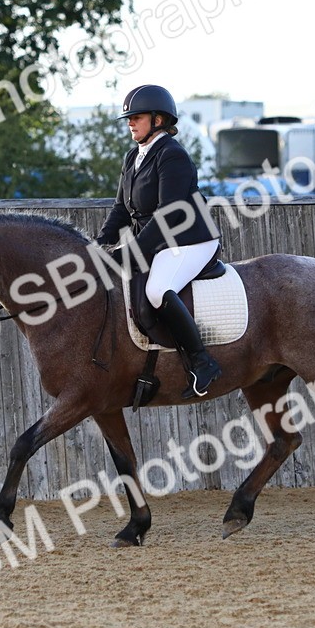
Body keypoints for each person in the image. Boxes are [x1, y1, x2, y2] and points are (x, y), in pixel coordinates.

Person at [96, 84, 222, 398]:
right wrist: (99, 245)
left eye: (136, 117)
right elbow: (121, 209)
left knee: (156, 290)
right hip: (158, 242)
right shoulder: (132, 157)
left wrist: (132, 251)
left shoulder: (173, 155)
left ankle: (202, 361)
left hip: (190, 241)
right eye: (129, 118)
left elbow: (168, 215)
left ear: (158, 120)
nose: (130, 123)